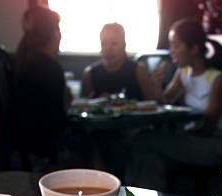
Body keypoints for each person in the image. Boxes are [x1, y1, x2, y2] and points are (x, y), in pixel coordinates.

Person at [127, 18, 222, 191]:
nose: (171, 51)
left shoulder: (218, 80)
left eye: (176, 46)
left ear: (193, 49)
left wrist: (178, 137)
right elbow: (164, 101)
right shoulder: (183, 72)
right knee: (151, 157)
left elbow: (207, 128)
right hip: (191, 138)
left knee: (144, 139)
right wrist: (155, 83)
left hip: (215, 144)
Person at [10, 6, 71, 165]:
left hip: (17, 150)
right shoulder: (50, 69)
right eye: (58, 30)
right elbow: (58, 122)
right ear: (52, 34)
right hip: (44, 152)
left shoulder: (18, 63)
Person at [82, 23, 160, 101]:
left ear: (124, 45)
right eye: (104, 44)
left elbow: (152, 103)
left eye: (114, 43)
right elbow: (84, 105)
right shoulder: (90, 74)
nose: (108, 49)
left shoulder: (139, 71)